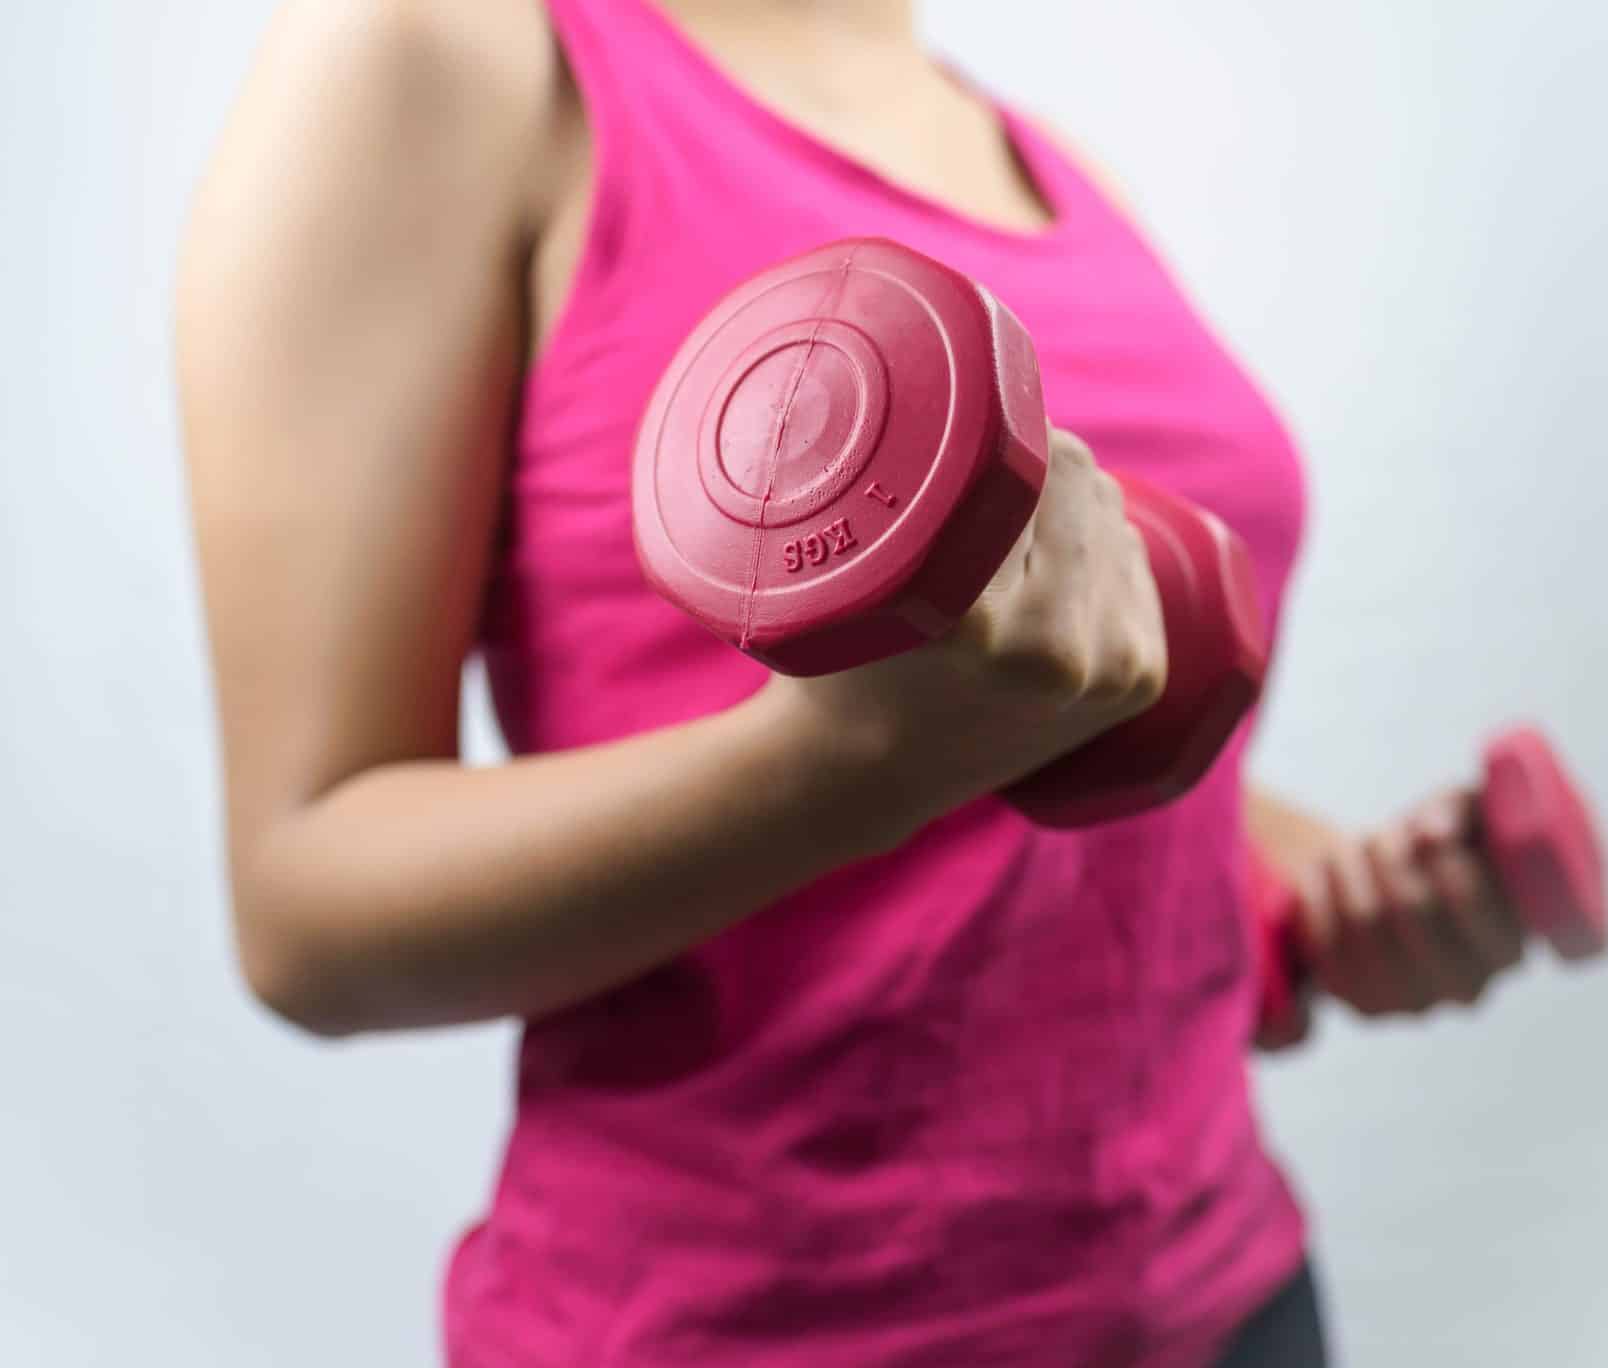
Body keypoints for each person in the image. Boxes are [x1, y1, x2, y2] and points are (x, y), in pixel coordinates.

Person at [177, 1, 1527, 1363]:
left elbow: (1053, 716)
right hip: (751, 1333)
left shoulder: (1056, 166)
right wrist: (844, 766)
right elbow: (305, 903)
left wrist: (1312, 882)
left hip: (1229, 1299)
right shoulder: (445, 54)